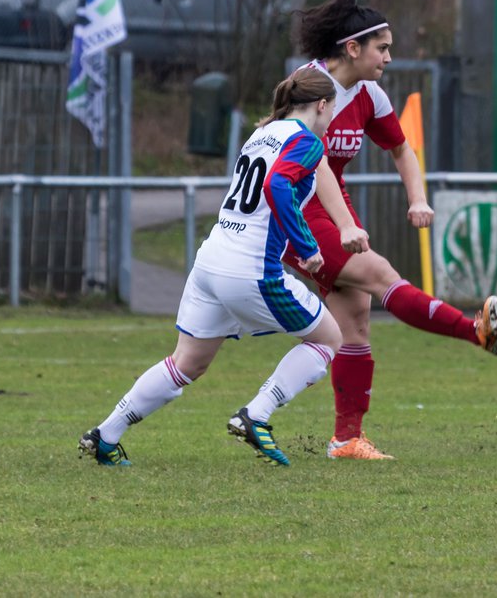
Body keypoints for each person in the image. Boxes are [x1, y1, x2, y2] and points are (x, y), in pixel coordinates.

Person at [78, 69, 344, 468]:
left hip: (211, 260)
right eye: (332, 111)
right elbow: (277, 186)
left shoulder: (262, 133)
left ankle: (106, 435)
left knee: (187, 363)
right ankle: (256, 415)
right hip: (250, 268)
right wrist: (307, 247)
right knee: (328, 339)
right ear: (322, 105)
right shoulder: (307, 141)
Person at [283, 0, 497, 461]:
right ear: (352, 48)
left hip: (331, 205)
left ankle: (346, 439)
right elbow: (311, 163)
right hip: (296, 208)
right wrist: (345, 225)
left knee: (355, 324)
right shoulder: (309, 87)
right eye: (380, 48)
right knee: (381, 275)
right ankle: (475, 332)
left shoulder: (370, 95)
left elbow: (402, 150)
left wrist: (418, 199)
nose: (388, 57)